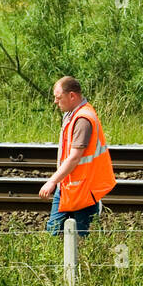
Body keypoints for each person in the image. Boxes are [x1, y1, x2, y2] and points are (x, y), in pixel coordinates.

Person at [39, 76, 117, 237]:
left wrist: (52, 181)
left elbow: (74, 157)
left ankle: (80, 261)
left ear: (72, 96)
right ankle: (58, 261)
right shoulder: (73, 115)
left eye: (58, 97)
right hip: (70, 186)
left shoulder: (82, 119)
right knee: (53, 232)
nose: (55, 101)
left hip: (83, 190)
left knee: (81, 236)